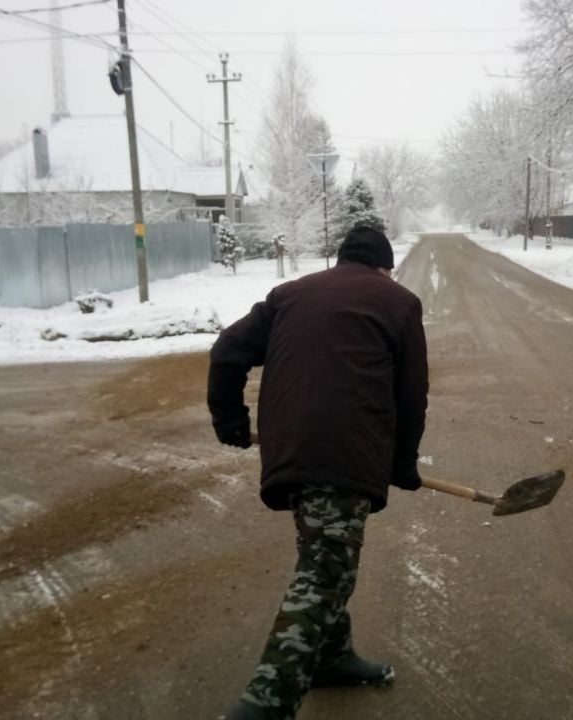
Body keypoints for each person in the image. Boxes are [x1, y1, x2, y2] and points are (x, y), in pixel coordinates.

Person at [207, 226, 429, 720]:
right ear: (383, 267)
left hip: (291, 452)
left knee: (322, 556)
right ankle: (266, 702)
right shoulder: (398, 302)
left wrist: (231, 422)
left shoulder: (289, 294)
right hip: (344, 456)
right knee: (326, 573)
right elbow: (411, 397)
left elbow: (226, 351)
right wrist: (404, 464)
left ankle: (331, 655)